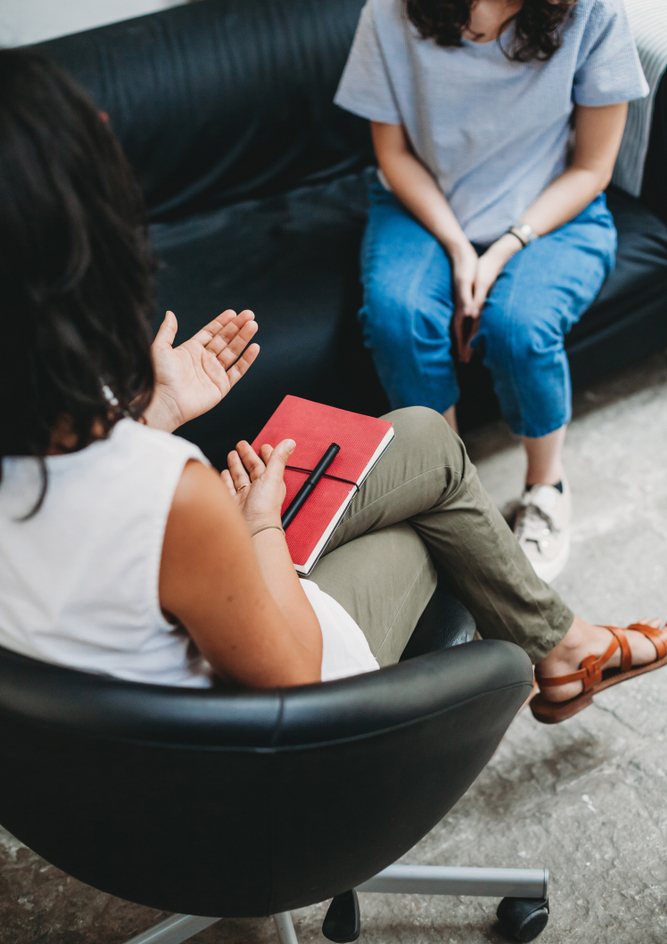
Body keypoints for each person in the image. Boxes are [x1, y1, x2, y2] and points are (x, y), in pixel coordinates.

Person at [0, 48, 664, 725]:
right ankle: (563, 655)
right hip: (269, 739)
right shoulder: (174, 496)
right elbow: (294, 682)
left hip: (135, 701)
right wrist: (256, 525)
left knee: (422, 437)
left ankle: (564, 650)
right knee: (438, 530)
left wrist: (156, 413)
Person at [334, 0, 649, 583]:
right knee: (397, 316)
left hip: (551, 206)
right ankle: (452, 496)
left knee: (520, 327)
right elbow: (391, 153)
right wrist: (457, 246)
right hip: (424, 201)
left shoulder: (593, 2)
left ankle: (546, 489)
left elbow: (593, 167)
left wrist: (506, 245)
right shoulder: (392, 0)